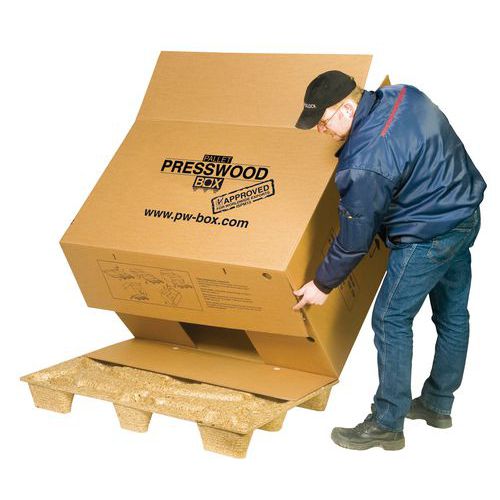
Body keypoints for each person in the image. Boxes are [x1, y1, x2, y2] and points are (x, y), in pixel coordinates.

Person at [292, 70, 486, 451]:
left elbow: (354, 240)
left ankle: (387, 422)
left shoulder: (364, 161)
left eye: (324, 121)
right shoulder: (404, 94)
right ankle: (437, 404)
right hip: (465, 213)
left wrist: (322, 284)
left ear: (348, 109)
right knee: (452, 314)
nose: (320, 130)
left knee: (389, 318)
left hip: (428, 235)